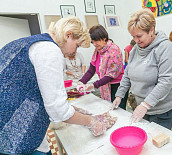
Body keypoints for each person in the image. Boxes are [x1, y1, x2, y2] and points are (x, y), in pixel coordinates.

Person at [0, 17, 106, 155]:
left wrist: (72, 108)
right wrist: (91, 121)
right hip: (16, 132)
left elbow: (35, 91)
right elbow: (58, 110)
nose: (75, 51)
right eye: (77, 45)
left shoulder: (33, 42)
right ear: (68, 35)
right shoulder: (49, 50)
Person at [111, 8, 172, 130]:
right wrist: (119, 95)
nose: (136, 40)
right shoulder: (135, 50)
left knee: (156, 142)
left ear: (151, 30)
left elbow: (166, 81)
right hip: (142, 106)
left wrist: (145, 104)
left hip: (161, 110)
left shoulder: (165, 48)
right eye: (133, 36)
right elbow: (127, 73)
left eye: (139, 36)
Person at [77, 25, 128, 110]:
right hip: (105, 85)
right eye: (92, 42)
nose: (94, 44)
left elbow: (111, 75)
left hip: (117, 86)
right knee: (108, 109)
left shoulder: (114, 50)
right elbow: (91, 69)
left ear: (104, 38)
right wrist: (82, 82)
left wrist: (94, 85)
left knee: (118, 111)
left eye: (96, 41)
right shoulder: (98, 50)